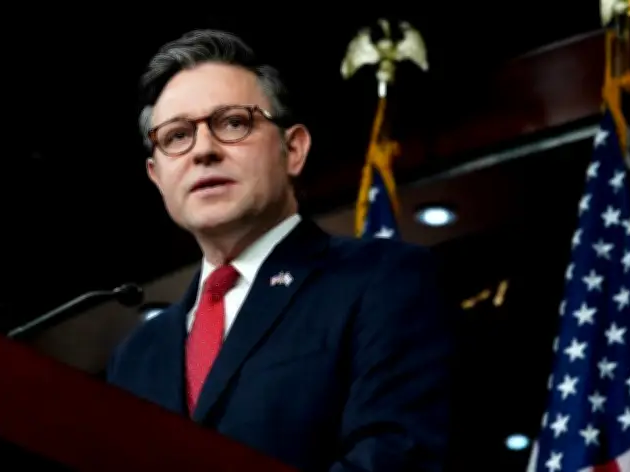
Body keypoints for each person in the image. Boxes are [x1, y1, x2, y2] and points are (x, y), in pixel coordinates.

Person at [106, 29, 454, 472]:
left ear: (293, 150)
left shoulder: (384, 281)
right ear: (156, 176)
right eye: (176, 136)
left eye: (233, 123)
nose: (203, 151)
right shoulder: (136, 356)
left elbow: (392, 458)